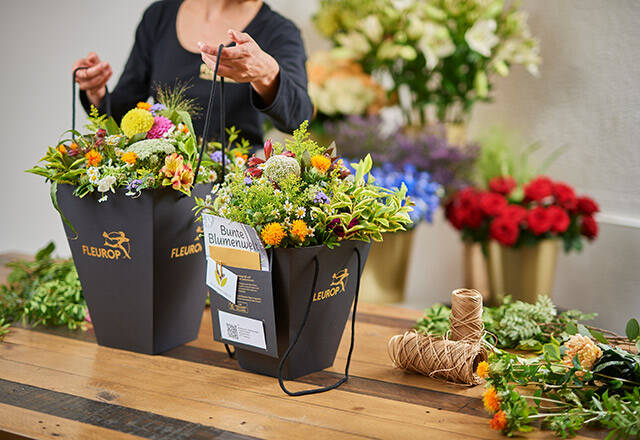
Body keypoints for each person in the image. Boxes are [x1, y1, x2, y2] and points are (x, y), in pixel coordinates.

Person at [72, 0, 313, 146]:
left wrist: (267, 74)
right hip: (162, 186)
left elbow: (299, 119)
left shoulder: (280, 32)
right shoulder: (159, 17)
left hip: (232, 198)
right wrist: (95, 92)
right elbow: (120, 114)